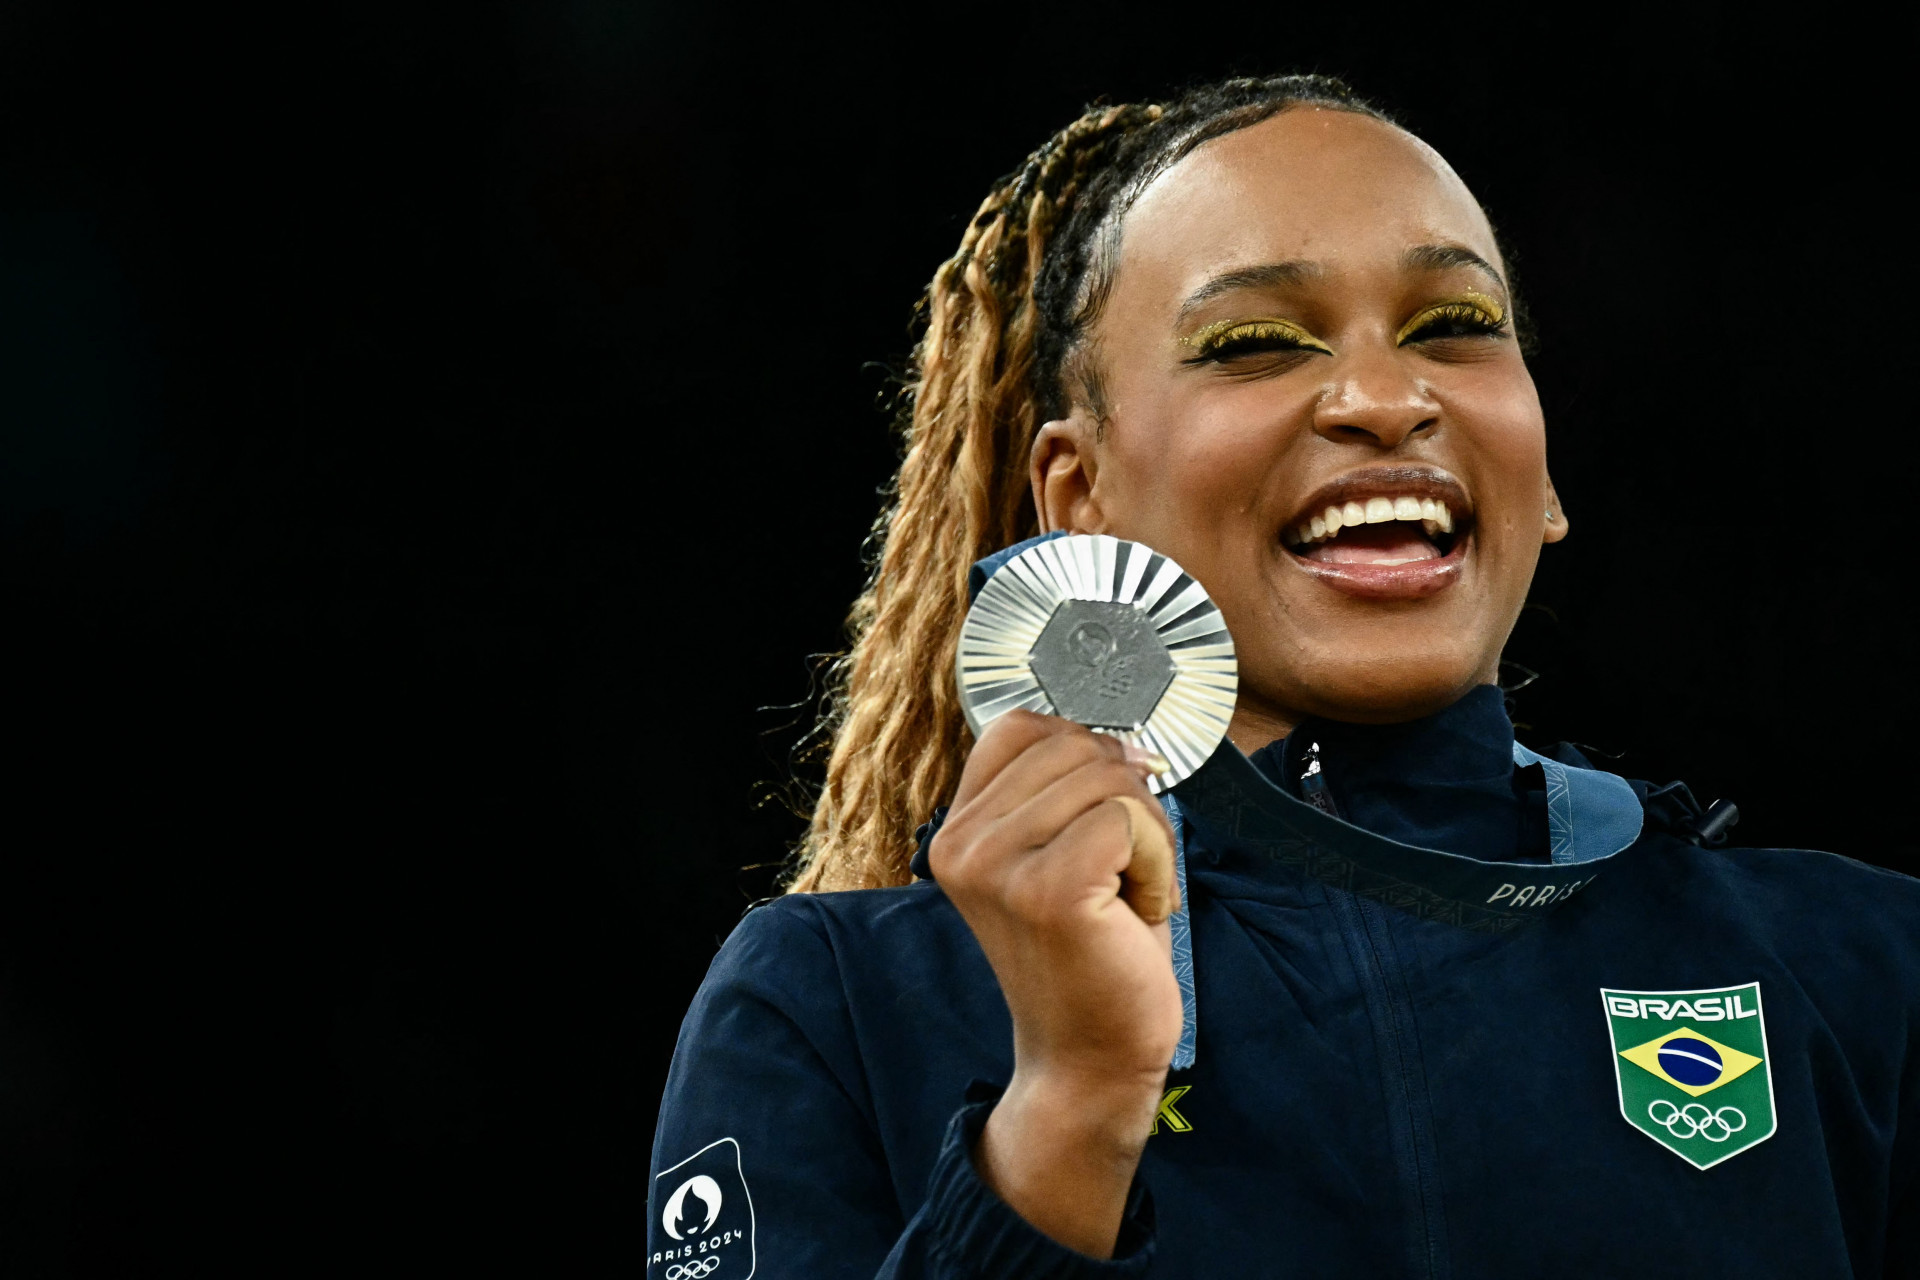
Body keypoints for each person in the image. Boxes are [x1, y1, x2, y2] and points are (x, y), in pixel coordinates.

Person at [644, 75, 1920, 1277]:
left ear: (1544, 474)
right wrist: (1075, 1104)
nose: (1382, 394)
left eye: (1457, 325)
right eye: (1256, 342)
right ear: (1080, 495)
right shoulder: (835, 1003)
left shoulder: (1862, 965)